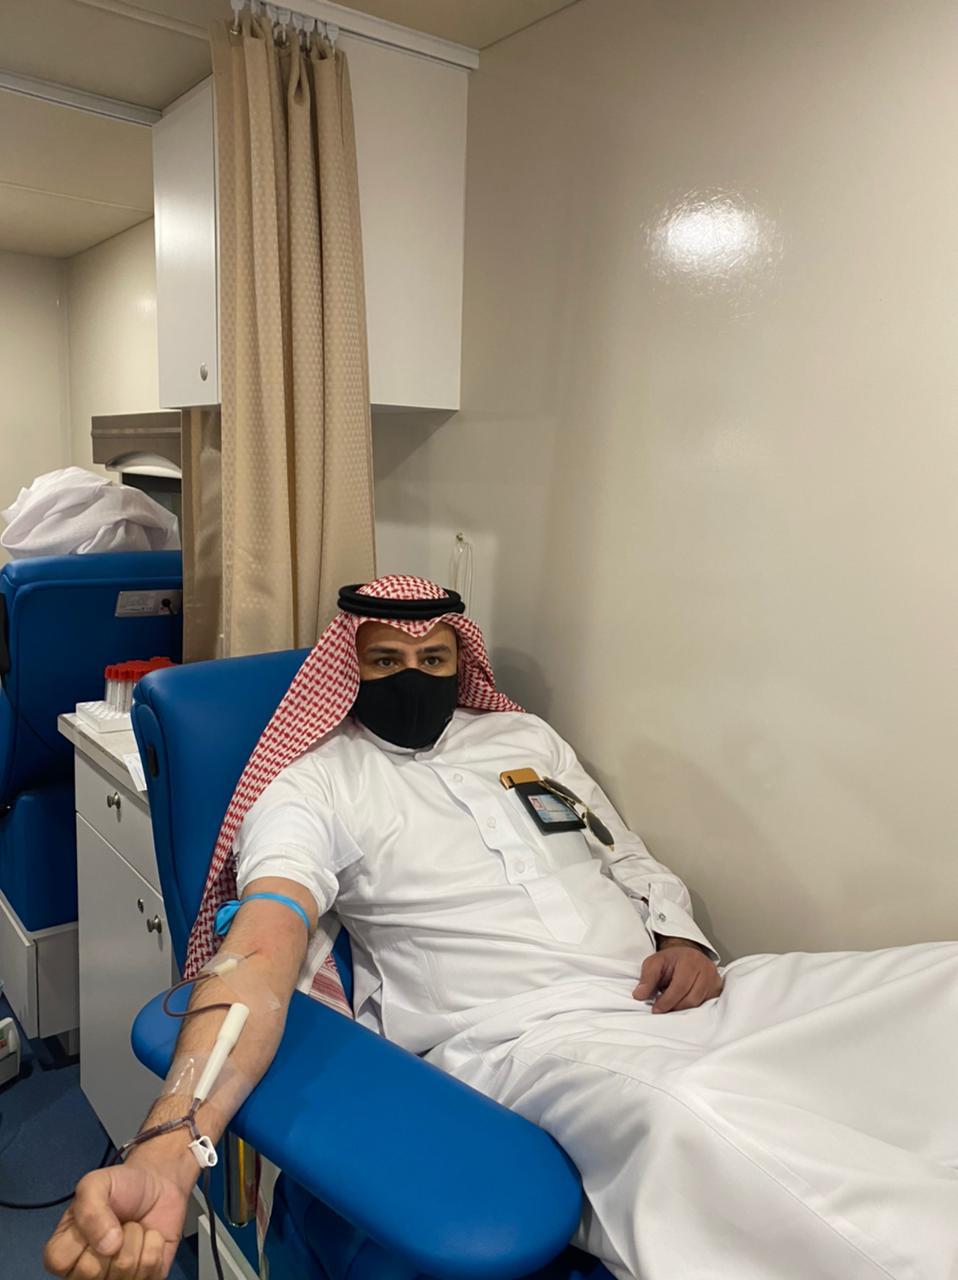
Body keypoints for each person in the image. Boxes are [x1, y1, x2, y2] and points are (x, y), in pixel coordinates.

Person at [44, 576, 958, 1280]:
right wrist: (172, 1142)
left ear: (462, 662)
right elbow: (260, 946)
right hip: (527, 1043)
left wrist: (683, 936)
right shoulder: (314, 785)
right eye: (385, 662)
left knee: (933, 987)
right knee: (705, 1121)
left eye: (434, 659)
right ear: (348, 671)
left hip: (674, 1000)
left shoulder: (525, 740)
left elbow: (623, 853)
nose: (414, 677)